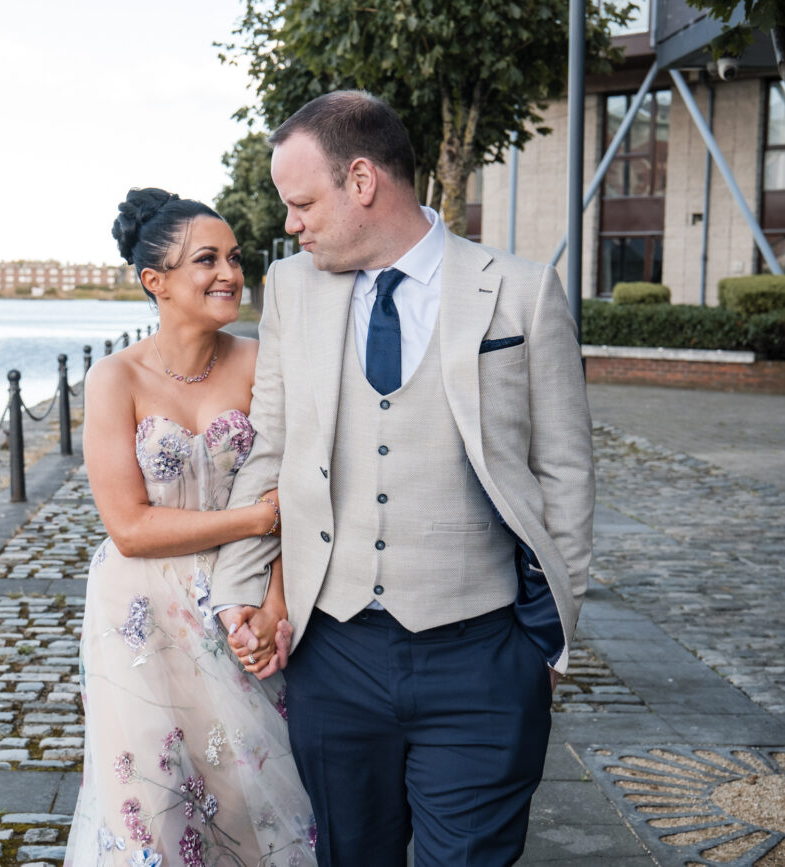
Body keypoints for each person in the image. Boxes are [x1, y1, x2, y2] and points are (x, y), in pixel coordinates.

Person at [212, 91, 596, 866]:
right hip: (335, 655)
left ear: (362, 182)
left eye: (302, 202)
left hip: (485, 654)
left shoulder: (520, 292)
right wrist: (239, 590)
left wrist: (549, 644)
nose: (290, 224)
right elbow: (272, 446)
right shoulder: (291, 289)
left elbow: (565, 471)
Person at [64, 188, 316, 866]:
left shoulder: (261, 364)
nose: (230, 273)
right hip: (141, 617)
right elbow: (129, 527)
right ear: (156, 281)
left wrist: (276, 605)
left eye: (234, 256)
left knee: (252, 792)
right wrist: (254, 516)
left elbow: (298, 501)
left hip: (242, 601)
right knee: (156, 799)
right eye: (207, 259)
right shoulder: (115, 379)